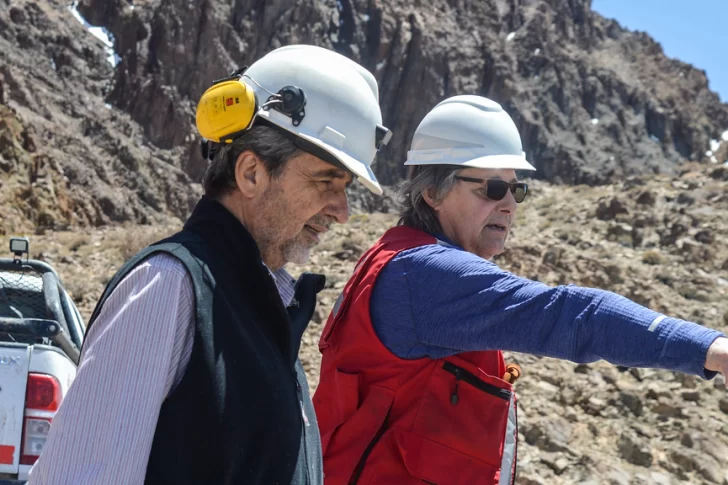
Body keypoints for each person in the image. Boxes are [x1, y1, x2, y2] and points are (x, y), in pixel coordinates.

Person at [312, 95, 728, 485]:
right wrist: (712, 350)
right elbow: (574, 316)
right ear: (432, 192)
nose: (509, 204)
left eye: (517, 189)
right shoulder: (425, 275)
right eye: (492, 188)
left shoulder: (400, 258)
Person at [28, 44, 392, 485]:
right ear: (252, 173)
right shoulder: (168, 289)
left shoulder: (260, 303)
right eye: (325, 181)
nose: (342, 210)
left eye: (346, 186)